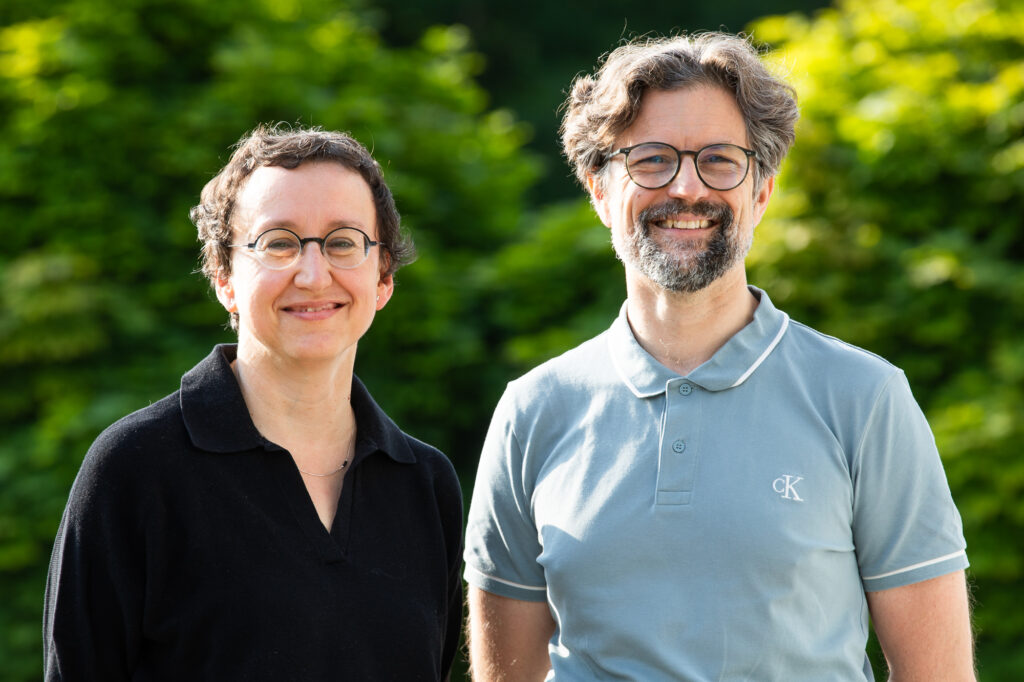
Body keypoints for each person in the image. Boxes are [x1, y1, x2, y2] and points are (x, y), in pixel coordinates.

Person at [464, 33, 974, 681]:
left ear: (759, 191)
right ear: (598, 188)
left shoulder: (865, 398)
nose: (686, 187)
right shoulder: (533, 411)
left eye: (719, 160)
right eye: (651, 160)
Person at [44, 125, 463, 680]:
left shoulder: (426, 484)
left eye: (343, 242)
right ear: (224, 278)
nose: (314, 275)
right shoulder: (135, 468)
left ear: (382, 279)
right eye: (279, 242)